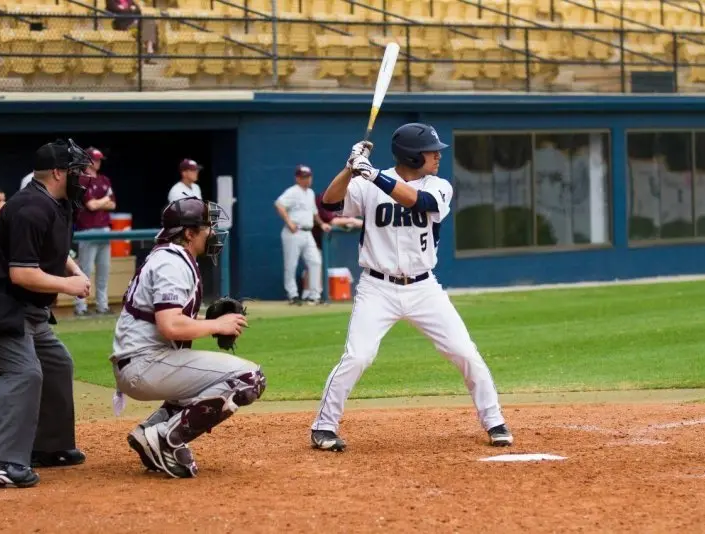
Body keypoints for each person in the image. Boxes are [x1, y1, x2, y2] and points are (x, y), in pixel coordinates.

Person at [310, 124, 513, 452]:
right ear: (411, 155)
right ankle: (323, 425)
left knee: (464, 352)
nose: (437, 156)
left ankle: (494, 421)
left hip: (424, 288)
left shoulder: (439, 185)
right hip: (377, 288)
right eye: (431, 151)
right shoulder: (368, 182)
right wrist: (349, 169)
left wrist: (372, 174)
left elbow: (419, 202)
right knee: (358, 356)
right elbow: (328, 204)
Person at [110, 197, 266, 479]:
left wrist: (206, 322)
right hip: (145, 364)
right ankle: (166, 440)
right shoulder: (172, 263)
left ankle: (150, 432)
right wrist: (215, 325)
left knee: (209, 382)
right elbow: (170, 326)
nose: (212, 232)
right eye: (206, 226)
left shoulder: (169, 256)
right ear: (189, 233)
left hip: (143, 361)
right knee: (249, 378)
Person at [0, 139, 92, 488]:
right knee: (23, 373)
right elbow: (22, 273)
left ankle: (48, 446)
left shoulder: (56, 204)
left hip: (30, 310)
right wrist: (68, 285)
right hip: (3, 305)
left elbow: (54, 250)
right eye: (77, 171)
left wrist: (73, 270)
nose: (83, 177)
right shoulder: (30, 207)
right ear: (58, 172)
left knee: (57, 364)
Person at [274, 164, 331, 305]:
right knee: (291, 264)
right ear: (297, 178)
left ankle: (314, 296)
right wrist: (289, 222)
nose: (307, 179)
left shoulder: (310, 193)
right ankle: (293, 295)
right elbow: (279, 204)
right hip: (293, 232)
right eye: (303, 177)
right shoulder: (293, 191)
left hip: (307, 232)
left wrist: (322, 223)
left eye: (308, 176)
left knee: (316, 261)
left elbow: (314, 213)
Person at [74, 147, 117, 316]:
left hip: (104, 230)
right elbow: (90, 206)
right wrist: (104, 200)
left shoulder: (104, 179)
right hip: (87, 230)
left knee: (104, 270)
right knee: (85, 271)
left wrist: (100, 202)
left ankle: (102, 306)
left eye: (99, 160)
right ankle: (80, 307)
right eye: (95, 159)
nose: (98, 162)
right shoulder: (80, 180)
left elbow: (113, 204)